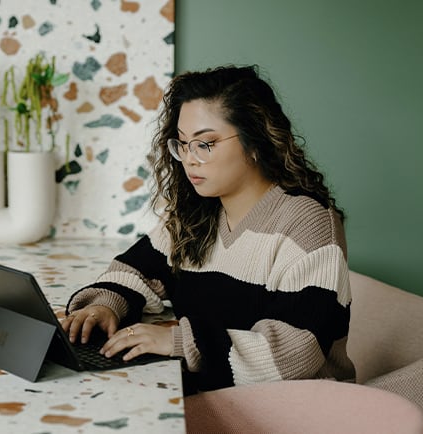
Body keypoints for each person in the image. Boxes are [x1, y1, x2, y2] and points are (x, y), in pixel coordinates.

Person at [61, 65, 355, 394]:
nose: (189, 159)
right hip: (220, 393)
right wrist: (105, 305)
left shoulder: (306, 222)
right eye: (183, 144)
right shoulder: (196, 213)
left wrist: (178, 340)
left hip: (296, 407)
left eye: (205, 144)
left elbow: (295, 354)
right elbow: (135, 270)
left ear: (254, 140)